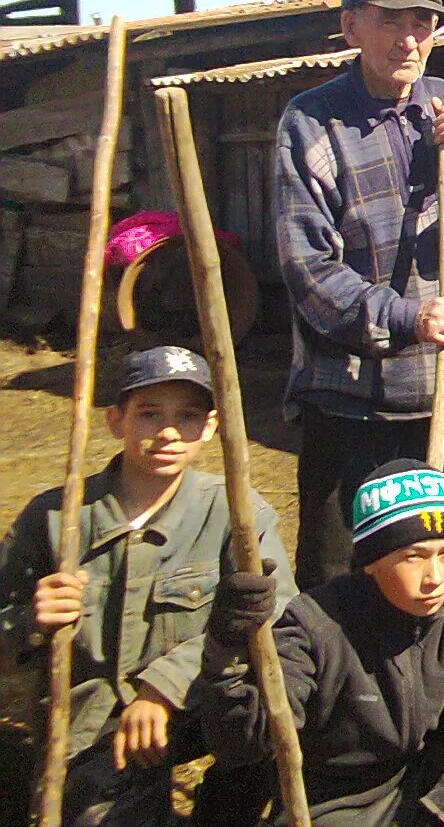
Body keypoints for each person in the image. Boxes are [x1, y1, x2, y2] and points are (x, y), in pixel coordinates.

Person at [0, 346, 292, 826]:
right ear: (116, 420)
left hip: (205, 700)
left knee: (285, 718)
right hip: (97, 720)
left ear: (212, 426)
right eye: (149, 414)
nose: (169, 432)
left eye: (188, 416)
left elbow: (279, 614)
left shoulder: (237, 513)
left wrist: (163, 687)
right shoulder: (56, 518)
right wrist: (31, 620)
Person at [200, 460, 444, 826]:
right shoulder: (314, 623)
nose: (434, 577)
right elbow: (246, 741)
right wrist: (229, 648)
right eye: (413, 557)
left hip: (433, 784)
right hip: (341, 803)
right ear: (370, 561)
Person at [276, 0, 444, 589]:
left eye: (423, 22)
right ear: (350, 27)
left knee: (443, 576)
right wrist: (405, 316)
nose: (409, 39)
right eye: (389, 20)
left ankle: (433, 691)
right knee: (339, 580)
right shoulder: (310, 124)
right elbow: (306, 268)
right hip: (352, 400)